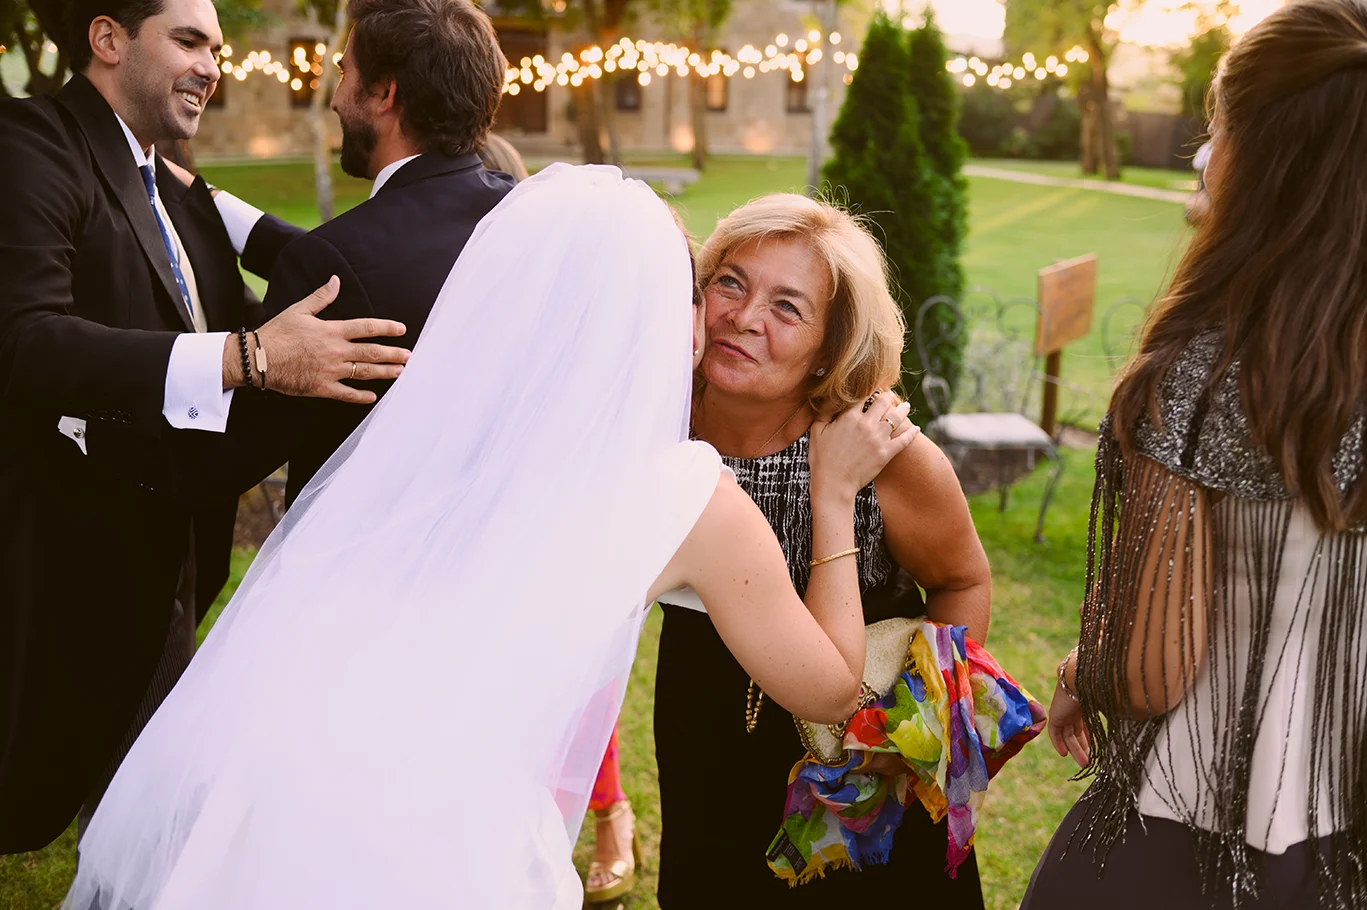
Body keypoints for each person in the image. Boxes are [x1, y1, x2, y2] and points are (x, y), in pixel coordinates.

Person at [61, 162, 918, 909]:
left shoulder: (445, 432)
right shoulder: (684, 495)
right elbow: (828, 689)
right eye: (701, 289)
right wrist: (833, 492)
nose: (720, 317)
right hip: (448, 835)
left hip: (293, 780)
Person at [0, 0, 411, 852]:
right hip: (65, 558)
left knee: (143, 815)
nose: (211, 66)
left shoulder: (174, 184)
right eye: (187, 40)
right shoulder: (31, 144)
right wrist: (244, 358)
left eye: (217, 48)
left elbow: (285, 286)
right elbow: (25, 341)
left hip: (173, 553)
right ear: (108, 39)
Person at [1024, 2, 1367, 906]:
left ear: (1266, 157)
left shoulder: (1202, 375)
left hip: (1184, 834)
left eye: (1216, 127)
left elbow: (1150, 668)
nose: (1200, 154)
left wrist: (1081, 668)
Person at [654, 194, 993, 908]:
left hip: (858, 752)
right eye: (730, 282)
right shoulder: (658, 418)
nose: (745, 318)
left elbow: (961, 579)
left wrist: (915, 728)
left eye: (787, 307)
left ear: (830, 348)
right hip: (701, 713)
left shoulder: (880, 452)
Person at [131, 0, 515, 510]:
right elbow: (387, 263)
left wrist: (85, 426)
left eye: (343, 72)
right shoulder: (523, 214)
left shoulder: (330, 263)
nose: (334, 99)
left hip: (361, 548)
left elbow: (220, 460)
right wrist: (205, 201)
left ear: (384, 94)